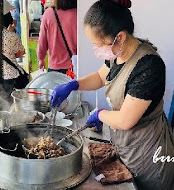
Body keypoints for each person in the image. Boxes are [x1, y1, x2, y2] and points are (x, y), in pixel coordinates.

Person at [51, 0, 174, 189]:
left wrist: (100, 114)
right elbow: (101, 77)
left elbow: (126, 119)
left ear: (121, 37)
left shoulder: (149, 66)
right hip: (126, 146)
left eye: (99, 44)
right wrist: (74, 84)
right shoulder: (118, 53)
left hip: (149, 156)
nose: (97, 49)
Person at [37, 0, 77, 74]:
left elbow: (42, 40)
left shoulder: (49, 13)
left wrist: (41, 58)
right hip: (76, 66)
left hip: (55, 66)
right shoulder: (79, 14)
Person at [2, 0, 26, 95]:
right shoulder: (11, 36)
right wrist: (12, 32)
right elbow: (21, 52)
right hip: (10, 78)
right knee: (11, 105)